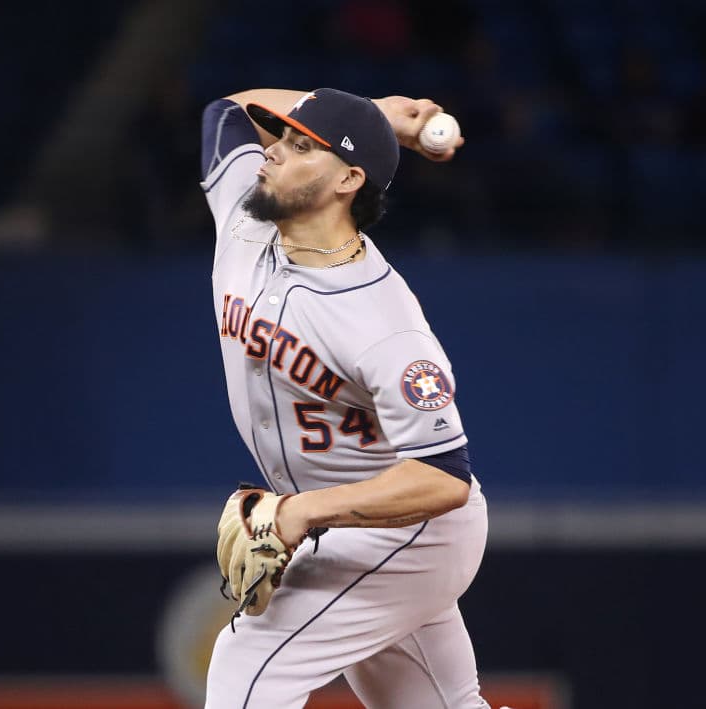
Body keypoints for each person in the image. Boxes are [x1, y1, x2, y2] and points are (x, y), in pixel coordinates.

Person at [199, 87, 489, 708]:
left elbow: (444, 477)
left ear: (349, 180)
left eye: (301, 146)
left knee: (248, 664)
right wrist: (373, 113)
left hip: (412, 534)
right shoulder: (245, 219)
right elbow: (226, 111)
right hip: (347, 524)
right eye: (281, 138)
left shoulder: (385, 323)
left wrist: (302, 512)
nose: (273, 152)